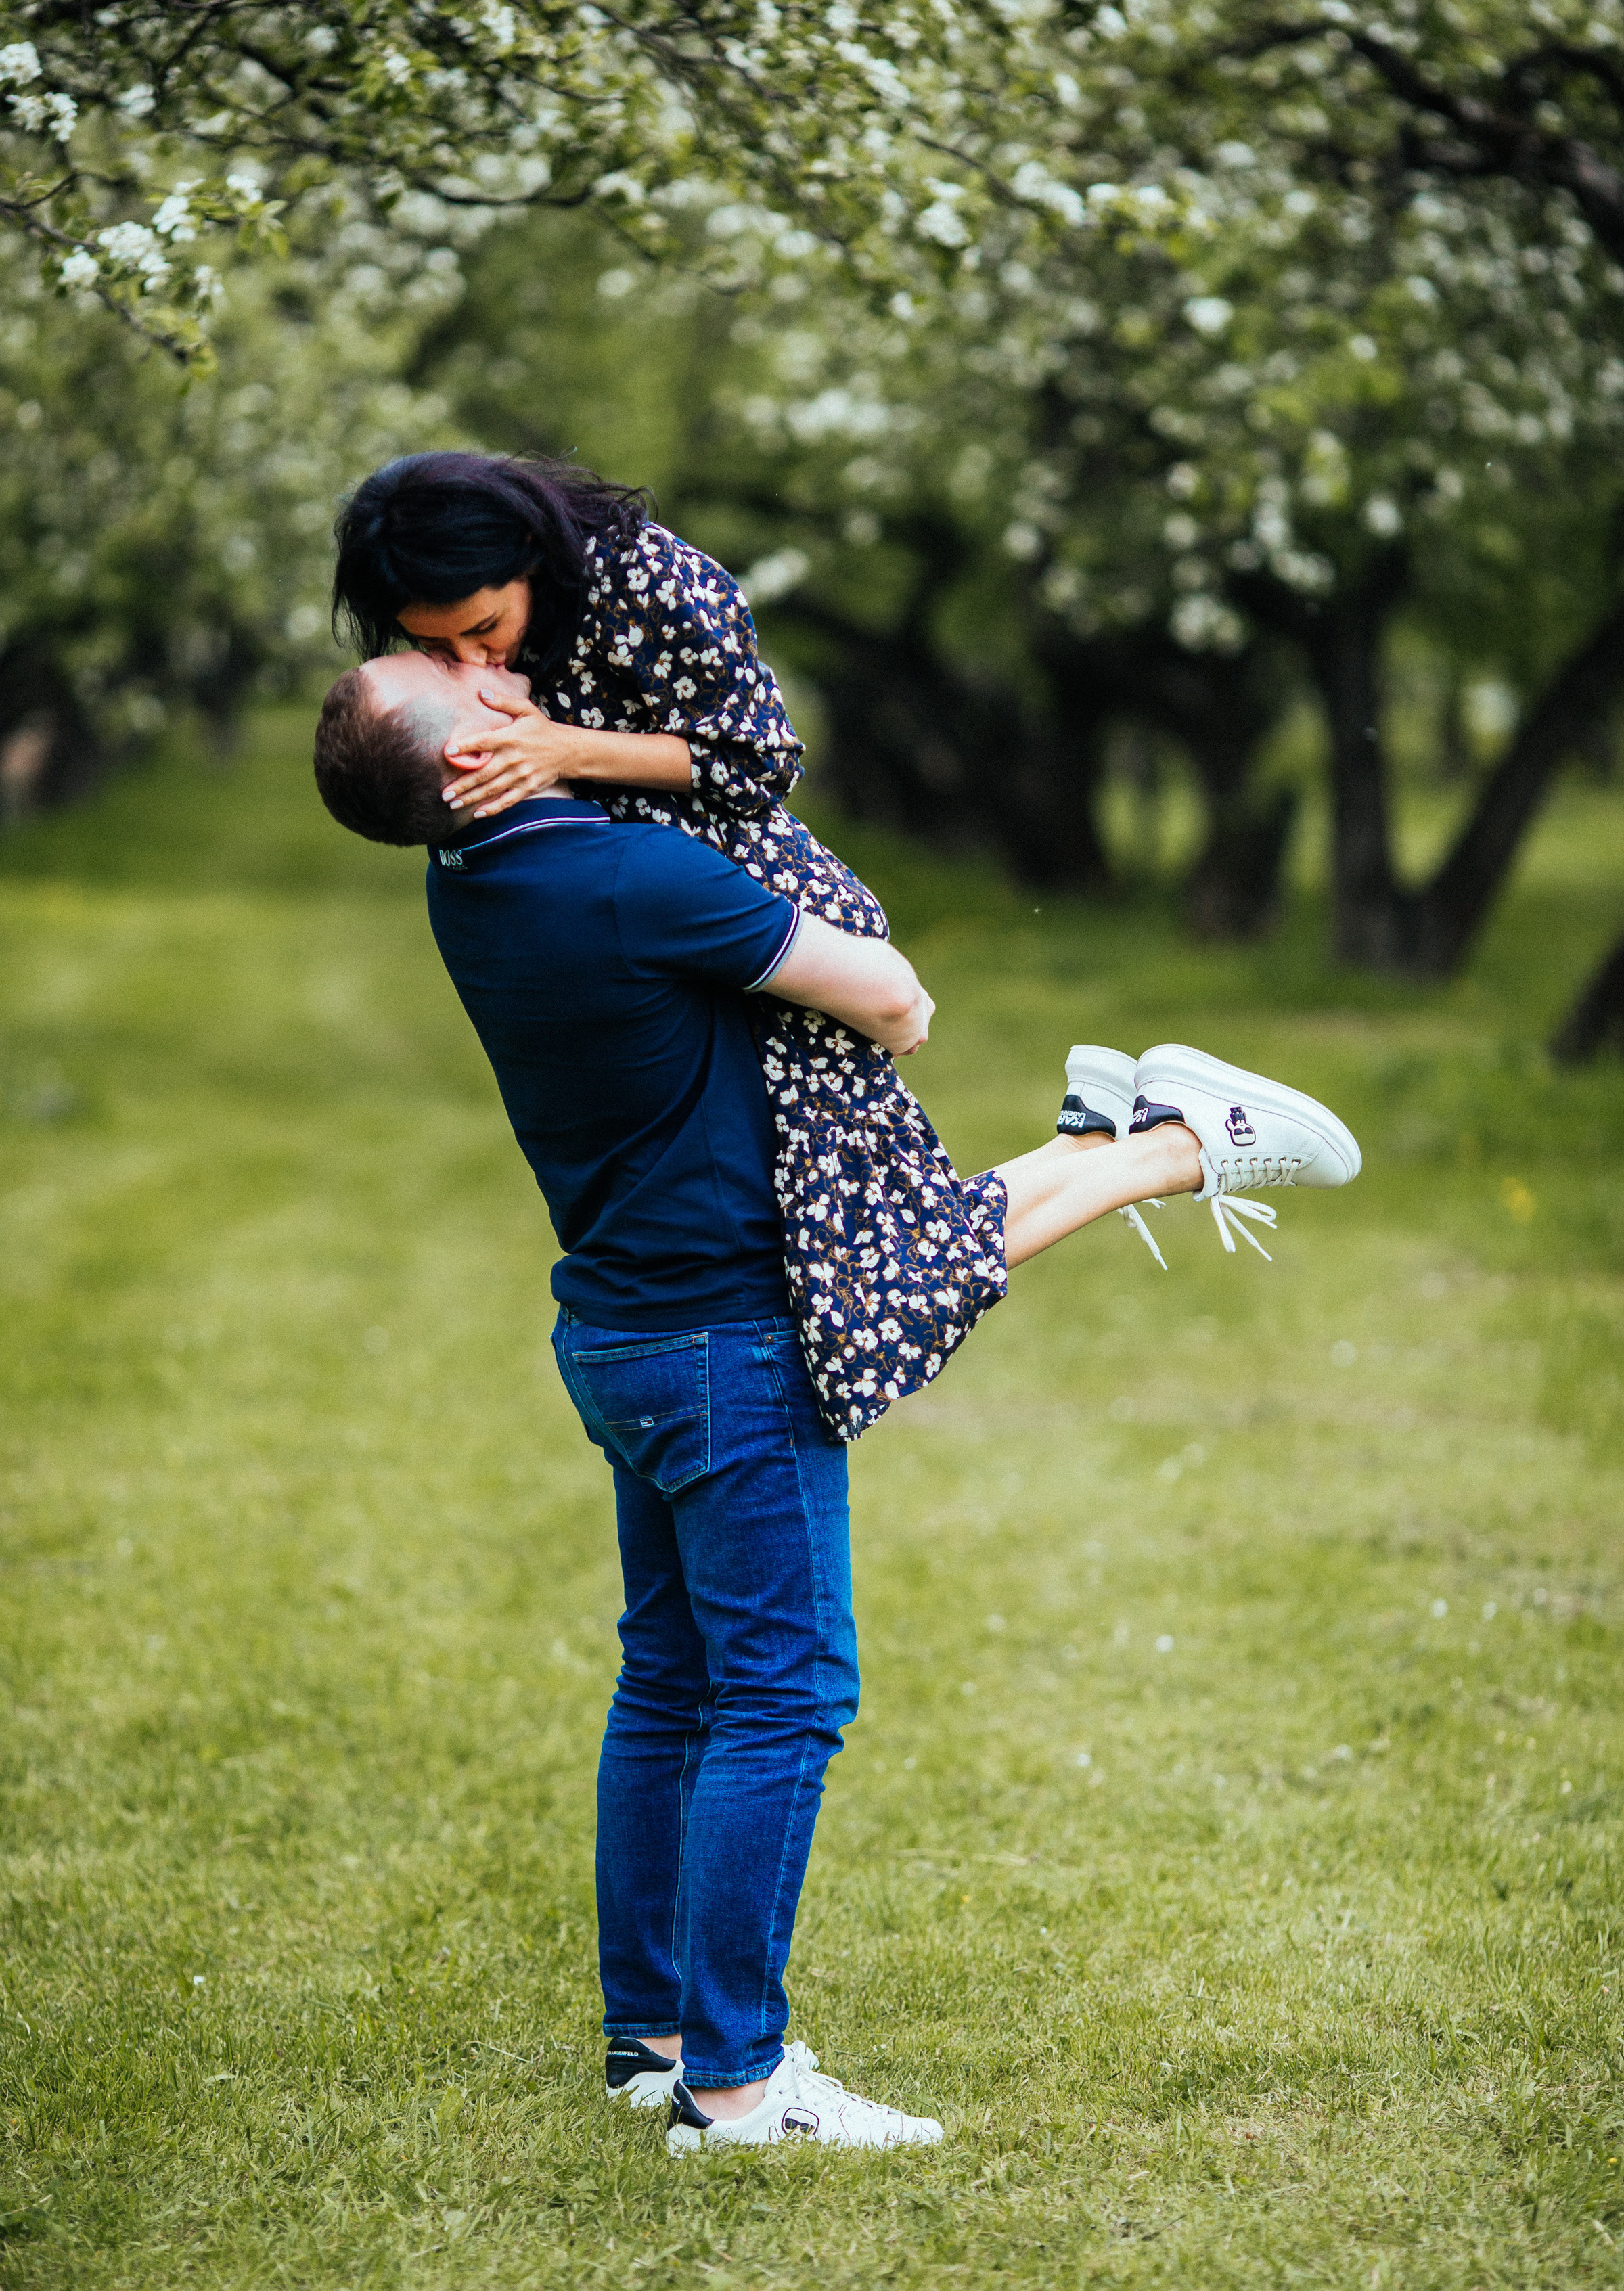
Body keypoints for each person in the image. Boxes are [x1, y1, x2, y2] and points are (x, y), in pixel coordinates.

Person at [311, 653, 1362, 2154]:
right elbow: (895, 1002)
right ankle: (735, 2090)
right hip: (727, 1343)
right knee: (784, 1696)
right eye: (466, 676)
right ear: (478, 752)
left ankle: (654, 2040)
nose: (500, 664)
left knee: (672, 1683)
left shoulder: (476, 882)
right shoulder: (627, 883)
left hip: (627, 1335)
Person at [323, 452, 1269, 1453]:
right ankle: (1112, 1145)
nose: (475, 665)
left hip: (738, 904)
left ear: (528, 552)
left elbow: (759, 760)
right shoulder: (486, 647)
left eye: (484, 631)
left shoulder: (650, 583)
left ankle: (1171, 1148)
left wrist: (568, 749)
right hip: (652, 923)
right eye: (441, 651)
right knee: (862, 1257)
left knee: (854, 1279)